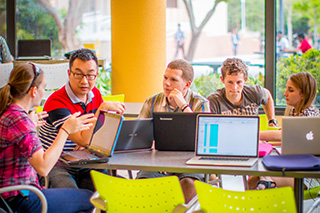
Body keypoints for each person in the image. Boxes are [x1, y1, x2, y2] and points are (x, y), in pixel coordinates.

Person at [0, 63, 95, 212]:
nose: (44, 92)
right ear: (34, 91)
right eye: (43, 87)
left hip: (9, 196)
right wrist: (65, 130)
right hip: (21, 198)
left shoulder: (10, 114)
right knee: (90, 198)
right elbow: (43, 167)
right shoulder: (19, 120)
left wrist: (30, 125)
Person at [39, 48, 125, 190]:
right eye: (78, 74)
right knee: (72, 196)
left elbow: (95, 136)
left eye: (90, 75)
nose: (84, 81)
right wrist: (101, 110)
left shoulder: (95, 94)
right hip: (57, 165)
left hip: (86, 163)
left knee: (117, 189)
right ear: (69, 74)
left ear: (97, 75)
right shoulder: (56, 102)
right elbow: (84, 139)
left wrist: (86, 143)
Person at [137, 59, 210, 203]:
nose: (167, 83)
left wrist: (183, 105)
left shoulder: (201, 103)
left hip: (190, 162)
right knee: (144, 181)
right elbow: (137, 135)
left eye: (173, 80)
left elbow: (204, 137)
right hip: (157, 161)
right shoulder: (151, 102)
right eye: (165, 78)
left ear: (187, 84)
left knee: (188, 183)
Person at [252, 72, 320, 190]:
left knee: (257, 181)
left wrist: (254, 134)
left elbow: (282, 135)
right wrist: (267, 143)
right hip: (294, 166)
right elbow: (291, 141)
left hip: (307, 176)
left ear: (303, 94)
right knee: (254, 179)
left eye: (291, 90)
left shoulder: (309, 114)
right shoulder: (295, 111)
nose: (285, 93)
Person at [207, 58, 277, 126]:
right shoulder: (213, 102)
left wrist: (271, 120)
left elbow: (268, 96)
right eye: (230, 82)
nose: (234, 87)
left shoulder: (255, 93)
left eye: (239, 82)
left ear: (245, 80)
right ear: (222, 80)